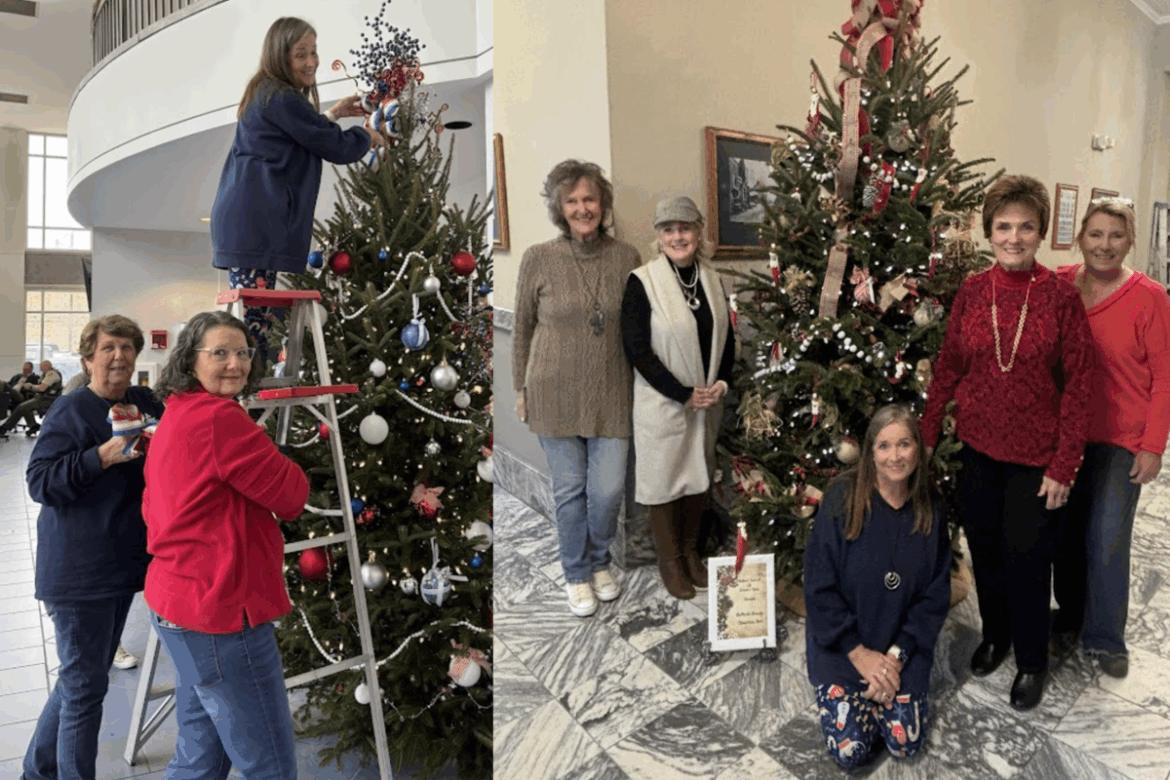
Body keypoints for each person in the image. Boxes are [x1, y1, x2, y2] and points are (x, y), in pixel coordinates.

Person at [920, 174, 1095, 710]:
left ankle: (1032, 660)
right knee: (986, 551)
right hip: (978, 449)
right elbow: (949, 364)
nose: (1013, 237)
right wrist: (927, 434)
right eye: (1003, 227)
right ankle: (995, 636)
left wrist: (1064, 467)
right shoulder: (973, 292)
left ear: (1040, 232)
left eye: (1025, 227)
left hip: (1036, 460)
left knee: (1027, 560)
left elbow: (1080, 389)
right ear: (988, 231)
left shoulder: (1062, 299)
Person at [143, 311, 309, 778]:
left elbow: (153, 503)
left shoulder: (178, 410)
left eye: (242, 353)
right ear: (190, 360)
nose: (234, 364)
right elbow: (292, 496)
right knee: (270, 764)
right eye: (219, 353)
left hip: (176, 603)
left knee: (200, 757)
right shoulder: (220, 420)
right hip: (218, 613)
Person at [20, 316, 164, 780]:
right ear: (88, 358)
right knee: (85, 688)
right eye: (108, 348)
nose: (119, 356)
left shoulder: (142, 402)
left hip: (118, 569)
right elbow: (39, 481)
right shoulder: (72, 410)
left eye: (127, 347)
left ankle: (36, 771)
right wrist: (99, 457)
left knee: (82, 678)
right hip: (78, 574)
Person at [210, 16, 383, 359]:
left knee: (257, 323)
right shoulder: (279, 96)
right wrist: (367, 135)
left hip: (249, 222)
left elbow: (297, 135)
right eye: (301, 54)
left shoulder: (267, 93)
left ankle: (248, 397)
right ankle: (245, 401)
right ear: (280, 55)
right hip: (253, 223)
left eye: (314, 52)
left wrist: (331, 114)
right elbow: (329, 145)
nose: (312, 62)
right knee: (254, 330)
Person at [512, 159, 642, 617]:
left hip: (611, 391)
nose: (582, 208)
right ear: (559, 208)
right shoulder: (537, 258)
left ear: (602, 204)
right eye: (572, 200)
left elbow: (639, 328)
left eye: (590, 198)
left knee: (607, 491)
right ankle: (576, 573)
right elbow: (523, 329)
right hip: (552, 392)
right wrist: (520, 389)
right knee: (570, 490)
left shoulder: (627, 257)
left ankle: (599, 560)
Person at [1050, 197, 1170, 678]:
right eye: (1096, 234)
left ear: (1130, 240)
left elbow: (1164, 377)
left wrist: (1154, 444)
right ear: (1080, 237)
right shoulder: (1060, 285)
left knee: (1106, 538)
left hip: (1122, 438)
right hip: (1067, 436)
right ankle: (1070, 617)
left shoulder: (1151, 297)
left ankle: (1104, 636)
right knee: (1066, 535)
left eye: (1116, 236)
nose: (1105, 245)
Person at [804, 405, 951, 771]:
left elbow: (934, 596)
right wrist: (860, 656)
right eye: (884, 446)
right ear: (870, 453)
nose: (895, 456)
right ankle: (863, 696)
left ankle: (879, 696)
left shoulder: (931, 506)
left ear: (918, 448)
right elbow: (819, 588)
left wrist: (894, 660)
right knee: (851, 752)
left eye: (904, 444)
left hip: (902, 648)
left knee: (905, 743)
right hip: (845, 646)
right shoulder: (841, 499)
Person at [620, 195, 734, 599]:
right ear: (659, 236)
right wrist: (681, 393)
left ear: (698, 231)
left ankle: (690, 554)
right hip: (663, 402)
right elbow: (638, 349)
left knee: (698, 479)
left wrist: (721, 382)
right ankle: (670, 561)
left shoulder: (712, 279)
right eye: (668, 229)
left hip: (705, 403)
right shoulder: (642, 282)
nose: (677, 236)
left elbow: (726, 339)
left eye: (685, 228)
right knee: (665, 483)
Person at [0, 359, 62, 437]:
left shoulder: (51, 374)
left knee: (22, 407)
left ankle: (4, 428)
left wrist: (30, 386)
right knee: (23, 407)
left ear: (48, 366)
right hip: (41, 398)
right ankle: (33, 425)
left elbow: (42, 388)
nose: (40, 368)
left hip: (45, 400)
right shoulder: (18, 376)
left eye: (42, 366)